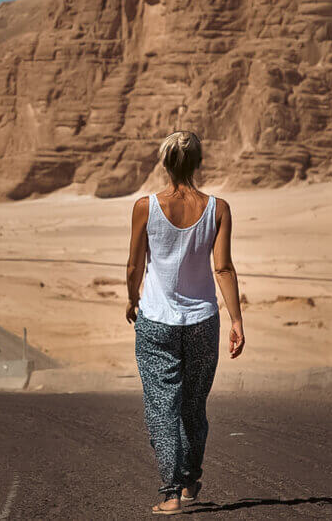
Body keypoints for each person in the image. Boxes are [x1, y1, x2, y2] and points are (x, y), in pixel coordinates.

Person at [126, 130, 245, 515]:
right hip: (202, 323)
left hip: (157, 321)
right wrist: (237, 320)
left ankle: (170, 492)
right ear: (198, 163)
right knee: (194, 405)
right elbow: (223, 267)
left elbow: (134, 265)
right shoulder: (218, 208)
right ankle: (191, 477)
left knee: (163, 407)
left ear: (165, 163)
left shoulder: (145, 206)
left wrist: (132, 300)